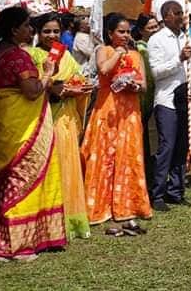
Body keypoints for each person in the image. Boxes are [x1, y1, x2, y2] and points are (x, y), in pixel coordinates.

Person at [0, 6, 66, 261]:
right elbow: (32, 91)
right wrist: (48, 72)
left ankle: (2, 238)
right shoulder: (17, 56)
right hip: (19, 127)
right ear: (14, 29)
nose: (31, 29)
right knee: (21, 178)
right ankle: (16, 246)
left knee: (6, 179)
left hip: (0, 122)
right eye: (27, 25)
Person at [80, 13, 151, 234]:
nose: (125, 35)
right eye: (121, 31)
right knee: (104, 156)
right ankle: (101, 206)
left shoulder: (135, 54)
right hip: (107, 110)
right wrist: (118, 54)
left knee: (128, 156)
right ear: (110, 33)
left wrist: (135, 86)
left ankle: (128, 205)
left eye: (128, 31)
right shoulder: (104, 49)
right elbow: (103, 70)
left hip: (129, 111)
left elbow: (144, 85)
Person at [29, 13, 92, 240]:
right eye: (47, 31)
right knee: (49, 165)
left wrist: (81, 87)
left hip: (66, 118)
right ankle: (47, 219)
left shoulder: (65, 56)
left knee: (68, 163)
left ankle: (69, 217)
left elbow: (78, 78)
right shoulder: (33, 55)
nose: (52, 35)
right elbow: (37, 86)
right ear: (37, 32)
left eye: (56, 31)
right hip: (44, 117)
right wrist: (58, 88)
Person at [148, 1, 191, 211]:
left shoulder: (188, 39)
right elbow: (157, 72)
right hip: (166, 100)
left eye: (183, 13)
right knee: (167, 147)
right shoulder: (157, 40)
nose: (182, 16)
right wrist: (178, 60)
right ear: (166, 16)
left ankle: (176, 190)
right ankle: (158, 193)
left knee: (182, 147)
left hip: (186, 100)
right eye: (177, 13)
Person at [133, 13, 159, 186]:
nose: (155, 30)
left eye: (156, 26)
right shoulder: (142, 49)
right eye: (150, 27)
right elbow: (148, 79)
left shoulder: (155, 45)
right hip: (147, 99)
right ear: (141, 31)